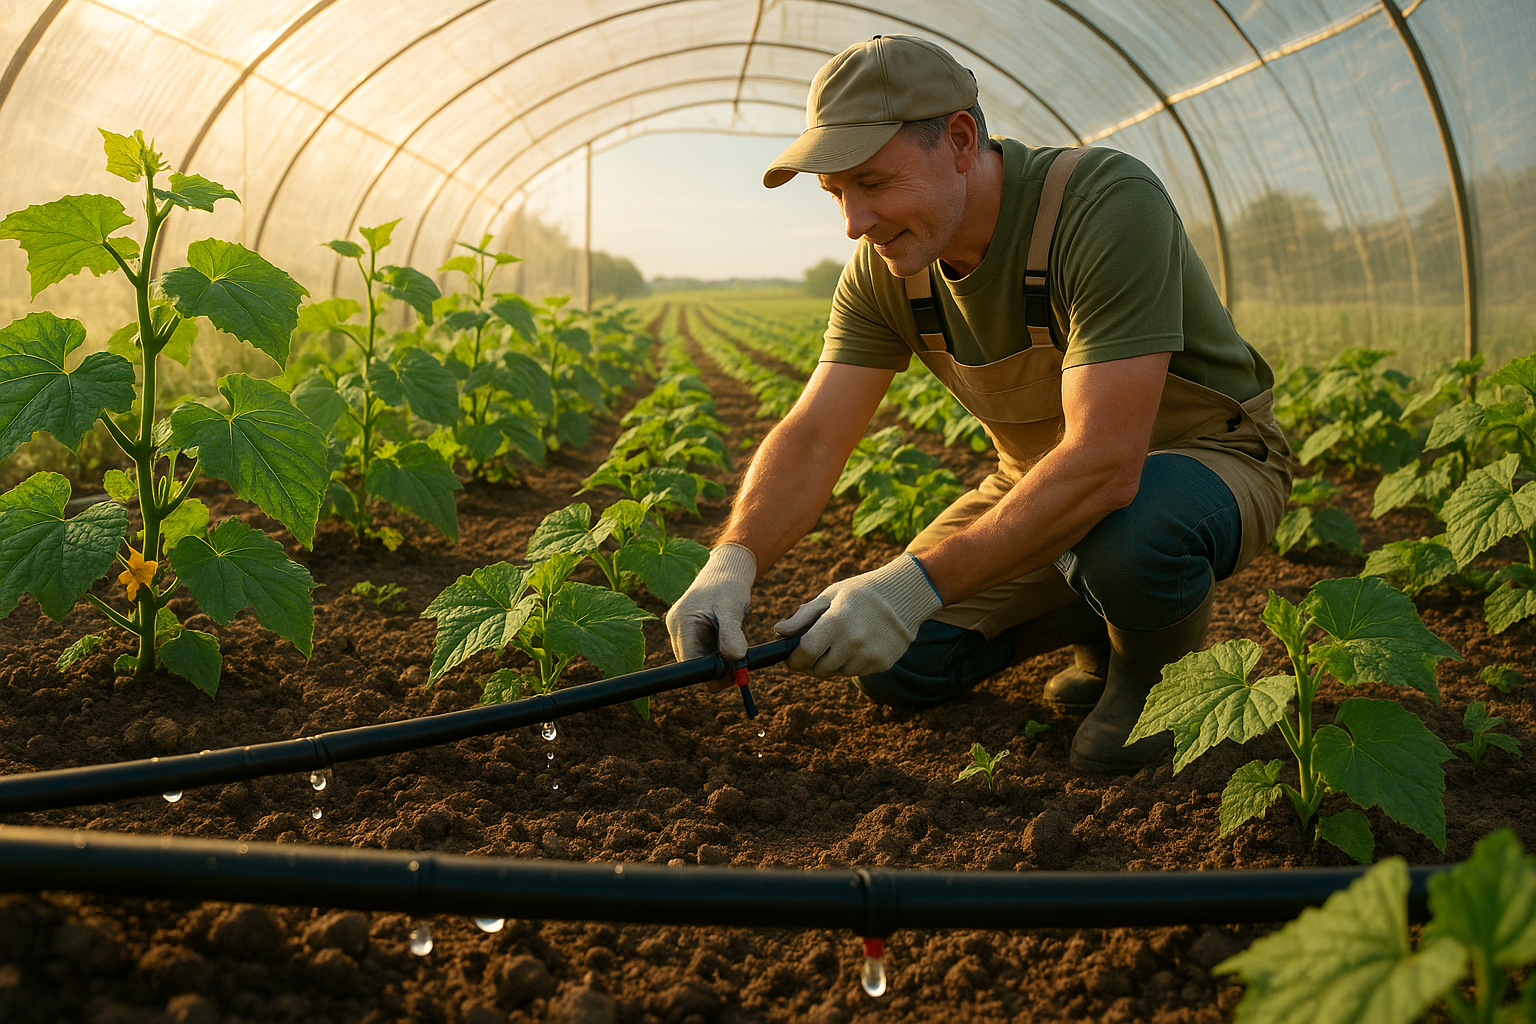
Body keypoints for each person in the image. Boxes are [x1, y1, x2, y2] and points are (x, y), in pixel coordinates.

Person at [666, 34, 1296, 774]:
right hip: (1040, 483)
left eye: (874, 181)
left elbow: (1105, 465)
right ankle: (1097, 613)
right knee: (899, 665)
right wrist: (732, 563)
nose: (854, 222)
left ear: (961, 140)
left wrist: (912, 583)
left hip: (1202, 463)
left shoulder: (1102, 204)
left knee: (1130, 536)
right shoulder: (886, 271)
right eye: (836, 193)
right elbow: (811, 437)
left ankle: (1159, 681)